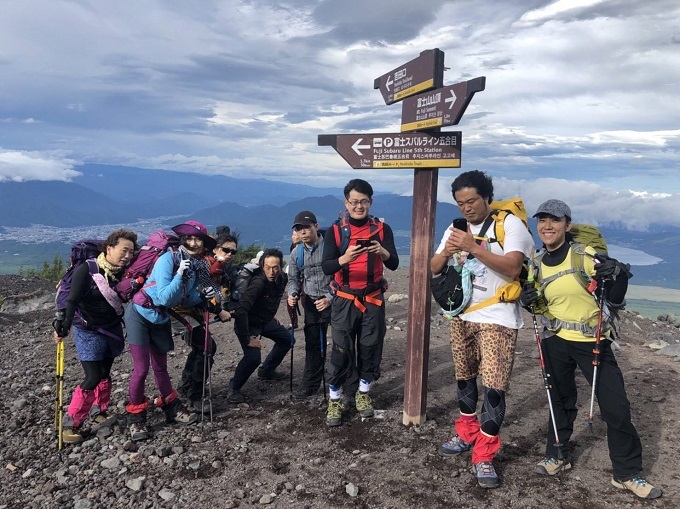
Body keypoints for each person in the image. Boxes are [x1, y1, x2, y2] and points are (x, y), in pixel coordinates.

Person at [520, 199, 661, 499]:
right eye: (542, 220)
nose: (547, 226)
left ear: (567, 225)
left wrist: (617, 274)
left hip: (592, 339)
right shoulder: (538, 263)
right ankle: (557, 455)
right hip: (555, 338)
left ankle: (626, 473)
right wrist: (530, 300)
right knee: (559, 398)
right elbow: (543, 305)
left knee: (616, 407)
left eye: (554, 220)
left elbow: (615, 294)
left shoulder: (584, 255)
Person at [430, 170, 533, 489]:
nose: (466, 208)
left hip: (498, 317)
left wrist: (474, 248)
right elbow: (433, 268)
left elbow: (514, 268)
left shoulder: (509, 225)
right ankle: (466, 434)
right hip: (462, 314)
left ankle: (485, 455)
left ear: (487, 197)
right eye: (460, 202)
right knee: (464, 377)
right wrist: (448, 250)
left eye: (472, 200)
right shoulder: (456, 227)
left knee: (494, 386)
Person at [124, 221, 216, 440]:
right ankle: (136, 417)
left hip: (160, 317)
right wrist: (179, 276)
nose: (194, 243)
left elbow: (184, 297)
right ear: (183, 240)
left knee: (161, 367)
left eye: (199, 240)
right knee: (141, 369)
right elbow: (165, 296)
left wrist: (202, 297)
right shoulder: (168, 260)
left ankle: (171, 406)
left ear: (203, 244)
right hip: (139, 313)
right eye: (190, 238)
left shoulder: (193, 266)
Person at [321, 179, 399, 426]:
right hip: (344, 300)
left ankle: (363, 394)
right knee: (341, 350)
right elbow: (327, 266)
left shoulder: (382, 230)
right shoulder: (335, 231)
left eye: (364, 201)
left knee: (370, 348)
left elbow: (394, 263)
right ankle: (335, 399)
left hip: (373, 299)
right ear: (346, 203)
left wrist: (382, 252)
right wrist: (345, 258)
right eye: (354, 201)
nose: (359, 206)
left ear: (371, 202)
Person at [54, 229, 137, 443]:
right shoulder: (87, 269)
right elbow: (72, 300)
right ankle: (72, 424)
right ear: (109, 248)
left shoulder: (125, 272)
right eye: (123, 250)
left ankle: (100, 412)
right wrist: (63, 324)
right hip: (88, 329)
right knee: (92, 375)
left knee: (105, 372)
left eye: (131, 252)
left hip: (111, 328)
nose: (127, 256)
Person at [176, 232, 235, 412]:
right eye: (226, 250)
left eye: (233, 252)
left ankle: (186, 387)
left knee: (201, 347)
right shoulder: (206, 264)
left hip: (191, 313)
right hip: (179, 312)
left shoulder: (219, 268)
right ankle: (195, 396)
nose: (230, 254)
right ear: (215, 249)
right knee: (208, 347)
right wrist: (219, 310)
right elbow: (202, 290)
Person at [228, 248, 291, 403]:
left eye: (275, 267)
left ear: (280, 266)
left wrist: (270, 314)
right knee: (253, 357)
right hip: (249, 324)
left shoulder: (282, 278)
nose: (271, 272)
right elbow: (241, 311)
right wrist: (248, 337)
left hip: (265, 320)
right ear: (263, 266)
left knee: (287, 340)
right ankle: (234, 388)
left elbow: (271, 299)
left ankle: (267, 370)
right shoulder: (258, 283)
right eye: (268, 268)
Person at [286, 211, 333, 400]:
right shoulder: (296, 253)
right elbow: (293, 279)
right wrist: (292, 293)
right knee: (312, 344)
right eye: (299, 228)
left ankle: (344, 381)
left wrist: (330, 297)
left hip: (334, 301)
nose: (303, 231)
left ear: (316, 226)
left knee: (341, 343)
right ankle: (311, 384)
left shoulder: (331, 247)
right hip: (312, 304)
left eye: (306, 227)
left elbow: (342, 276)